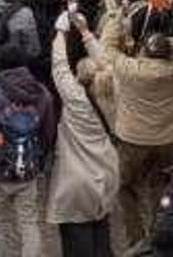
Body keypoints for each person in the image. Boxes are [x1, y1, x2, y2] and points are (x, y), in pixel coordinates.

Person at [101, 23, 173, 249]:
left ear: (144, 52)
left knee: (124, 185)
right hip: (167, 140)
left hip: (132, 141)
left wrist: (114, 20)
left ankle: (136, 236)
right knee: (159, 184)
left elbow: (106, 47)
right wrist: (171, 43)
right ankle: (157, 233)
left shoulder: (130, 68)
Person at [46, 13, 119, 257]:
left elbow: (59, 66)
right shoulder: (113, 92)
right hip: (107, 171)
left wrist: (61, 32)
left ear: (79, 78)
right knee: (101, 226)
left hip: (77, 179)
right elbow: (107, 63)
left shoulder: (75, 97)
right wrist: (86, 32)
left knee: (77, 239)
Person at [0, 66, 56, 257]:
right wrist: (39, 159)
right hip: (27, 170)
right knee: (28, 222)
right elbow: (48, 135)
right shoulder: (44, 96)